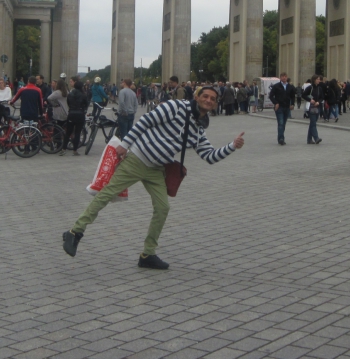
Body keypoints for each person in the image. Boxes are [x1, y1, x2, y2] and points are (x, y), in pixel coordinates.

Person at [62, 86, 245, 269]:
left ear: (215, 104)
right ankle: (75, 232)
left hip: (157, 169)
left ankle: (148, 254)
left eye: (213, 99)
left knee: (163, 207)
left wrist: (232, 146)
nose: (209, 100)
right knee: (106, 194)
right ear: (197, 97)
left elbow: (209, 156)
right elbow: (145, 121)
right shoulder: (175, 106)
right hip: (137, 159)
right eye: (205, 96)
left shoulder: (198, 129)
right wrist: (125, 144)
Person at [268, 72, 294, 145]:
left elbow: (292, 96)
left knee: (284, 123)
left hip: (287, 107)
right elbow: (271, 96)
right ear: (280, 78)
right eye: (283, 76)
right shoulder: (276, 86)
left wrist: (292, 104)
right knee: (281, 123)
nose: (284, 78)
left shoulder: (290, 86)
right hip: (279, 107)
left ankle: (281, 136)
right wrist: (276, 103)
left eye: (285, 76)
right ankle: (281, 139)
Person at [303, 75, 323, 144]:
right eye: (318, 79)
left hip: (317, 107)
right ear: (314, 80)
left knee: (312, 123)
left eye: (319, 79)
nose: (319, 80)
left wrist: (318, 102)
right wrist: (310, 100)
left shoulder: (319, 88)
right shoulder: (310, 88)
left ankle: (309, 139)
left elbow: (322, 97)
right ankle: (316, 138)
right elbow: (304, 95)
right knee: (313, 123)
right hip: (311, 107)